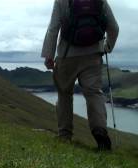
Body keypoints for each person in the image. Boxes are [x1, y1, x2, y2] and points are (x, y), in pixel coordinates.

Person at [41, 0, 119, 150]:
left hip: (66, 55)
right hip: (93, 56)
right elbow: (114, 27)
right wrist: (107, 47)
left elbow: (53, 28)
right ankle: (99, 130)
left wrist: (48, 55)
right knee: (93, 93)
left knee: (64, 94)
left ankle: (65, 136)